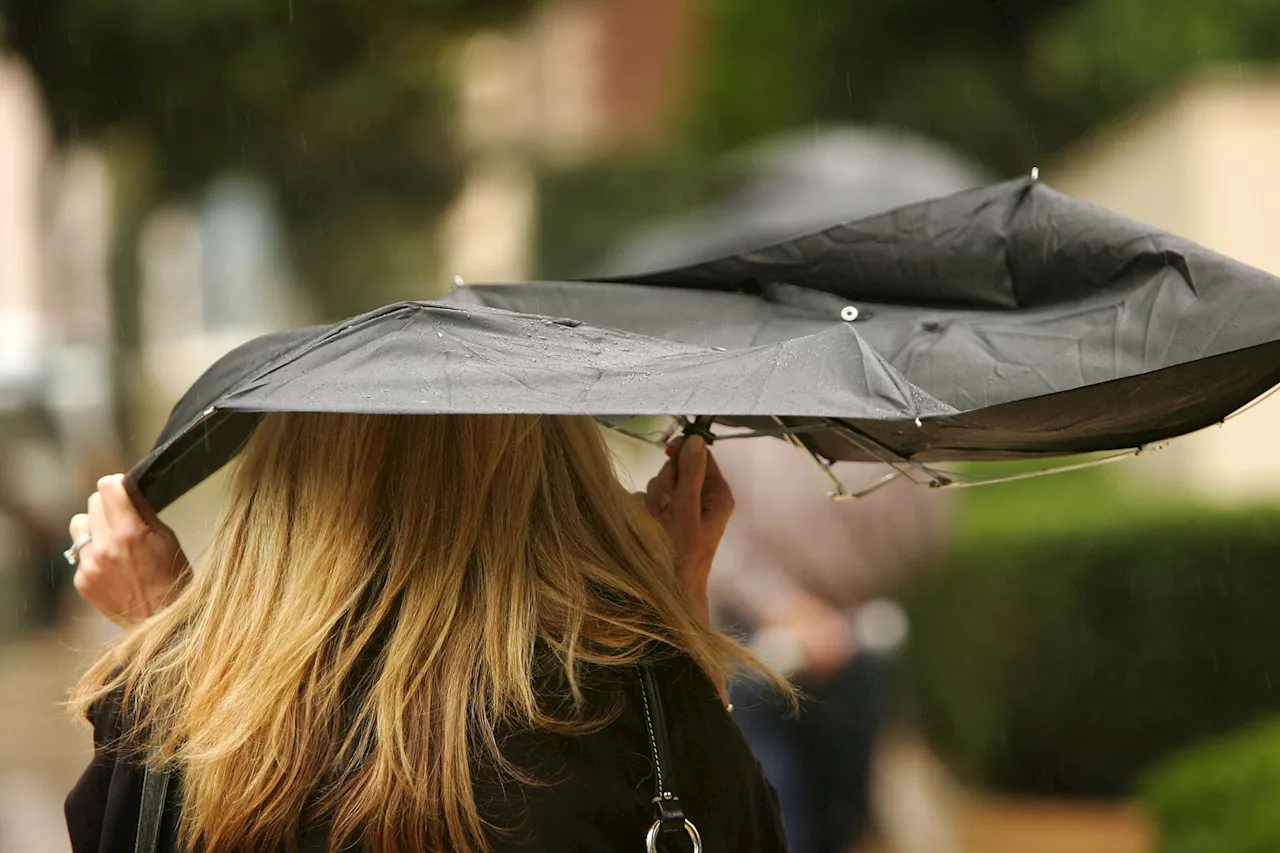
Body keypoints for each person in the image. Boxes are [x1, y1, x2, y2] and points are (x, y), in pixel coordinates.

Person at [63, 413, 791, 853]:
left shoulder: (180, 719)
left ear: (283, 494)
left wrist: (169, 632)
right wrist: (675, 599)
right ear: (559, 480)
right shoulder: (638, 703)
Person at [706, 439, 952, 853]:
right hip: (754, 648)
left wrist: (846, 612)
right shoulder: (734, 424)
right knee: (776, 808)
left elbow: (927, 535)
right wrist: (781, 604)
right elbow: (712, 534)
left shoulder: (902, 433)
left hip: (857, 641)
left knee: (844, 811)